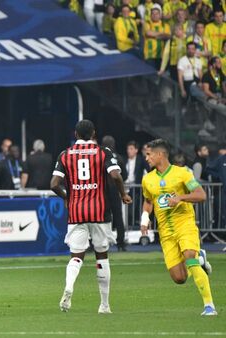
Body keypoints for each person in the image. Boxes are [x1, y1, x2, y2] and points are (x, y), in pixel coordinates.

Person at [50, 120, 131, 314]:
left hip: (76, 212)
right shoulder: (104, 152)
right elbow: (116, 176)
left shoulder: (65, 154)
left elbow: (54, 184)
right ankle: (104, 305)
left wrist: (68, 197)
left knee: (76, 256)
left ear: (75, 134)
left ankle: (69, 287)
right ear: (94, 133)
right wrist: (123, 194)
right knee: (102, 256)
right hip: (100, 212)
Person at [140, 139, 217, 316]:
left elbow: (201, 195)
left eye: (149, 154)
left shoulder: (182, 174)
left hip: (185, 223)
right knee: (179, 278)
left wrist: (180, 198)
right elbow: (148, 201)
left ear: (160, 154)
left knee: (189, 257)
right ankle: (201, 258)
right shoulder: (147, 179)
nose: (147, 158)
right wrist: (145, 217)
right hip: (165, 232)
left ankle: (209, 306)